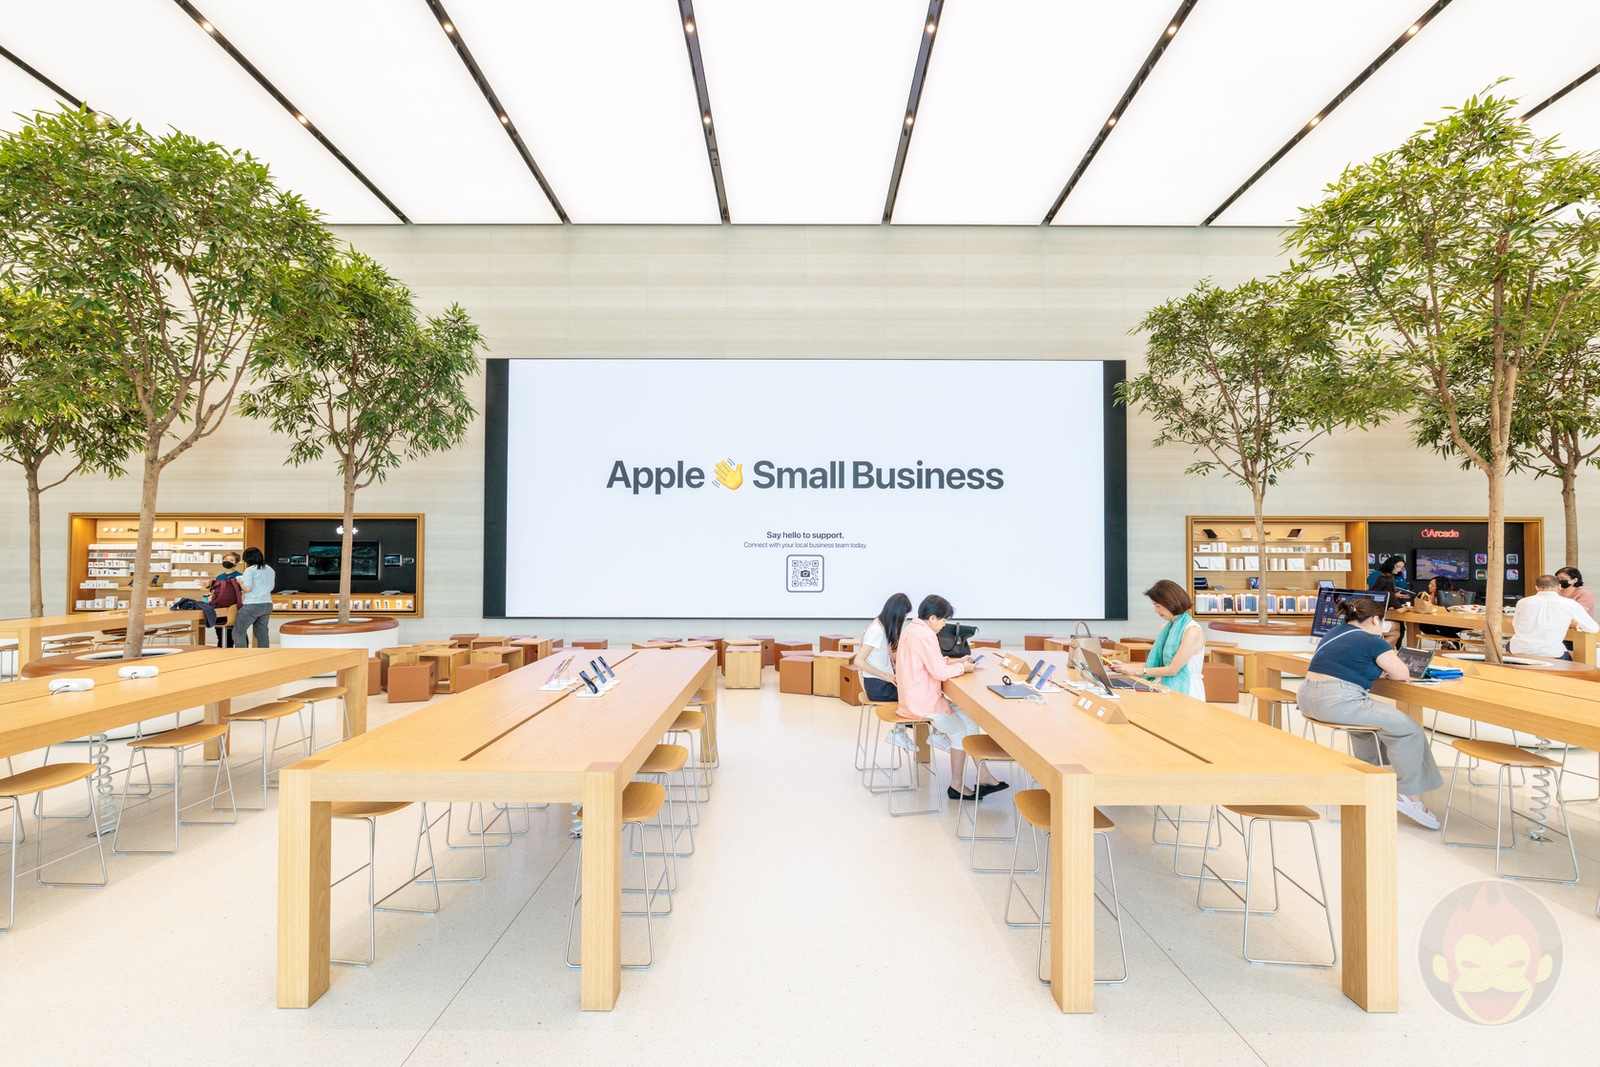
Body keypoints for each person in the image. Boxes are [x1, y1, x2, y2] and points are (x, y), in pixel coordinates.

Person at [1297, 596, 1443, 829]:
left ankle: (1369, 780)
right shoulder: (1373, 641)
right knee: (1408, 729)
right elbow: (1402, 674)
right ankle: (1409, 795)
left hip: (1307, 698)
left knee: (1368, 729)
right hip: (1338, 702)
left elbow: (1349, 662)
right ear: (1376, 619)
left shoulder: (1333, 632)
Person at [887, 594, 1005, 801]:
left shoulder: (912, 630)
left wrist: (958, 661)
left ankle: (984, 775)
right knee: (960, 733)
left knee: (968, 718)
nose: (944, 624)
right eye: (943, 619)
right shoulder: (926, 635)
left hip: (914, 697)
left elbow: (931, 662)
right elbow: (939, 673)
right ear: (932, 618)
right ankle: (956, 786)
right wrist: (963, 667)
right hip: (922, 703)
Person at [1109, 579, 1205, 699]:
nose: (1156, 611)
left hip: (1187, 691)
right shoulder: (1167, 628)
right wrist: (1126, 666)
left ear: (1170, 602)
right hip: (1164, 688)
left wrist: (1136, 671)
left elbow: (1172, 669)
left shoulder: (1192, 631)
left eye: (1158, 606)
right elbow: (1157, 665)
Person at [1509, 574, 1598, 659]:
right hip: (1551, 653)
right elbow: (1593, 628)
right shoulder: (1570, 604)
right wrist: (1577, 626)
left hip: (1518, 650)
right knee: (1573, 655)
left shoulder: (1523, 602)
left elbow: (1516, 626)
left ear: (1536, 587)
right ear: (1559, 587)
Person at [853, 592, 910, 703]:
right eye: (905, 614)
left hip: (880, 683)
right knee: (919, 694)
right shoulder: (877, 630)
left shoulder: (881, 626)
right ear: (897, 614)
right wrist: (886, 676)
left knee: (916, 690)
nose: (905, 618)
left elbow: (885, 656)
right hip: (878, 686)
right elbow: (858, 661)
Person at [232, 547, 276, 648]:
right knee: (262, 633)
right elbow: (272, 587)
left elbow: (247, 589)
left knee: (238, 632)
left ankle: (242, 656)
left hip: (252, 604)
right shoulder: (270, 569)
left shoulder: (250, 570)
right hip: (267, 604)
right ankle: (264, 656)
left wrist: (240, 583)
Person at [207, 552, 243, 647]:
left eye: (231, 560)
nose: (227, 562)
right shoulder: (219, 577)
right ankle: (221, 653)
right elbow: (215, 592)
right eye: (226, 560)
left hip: (234, 608)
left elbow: (243, 592)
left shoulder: (239, 576)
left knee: (234, 633)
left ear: (236, 563)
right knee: (220, 633)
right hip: (220, 608)